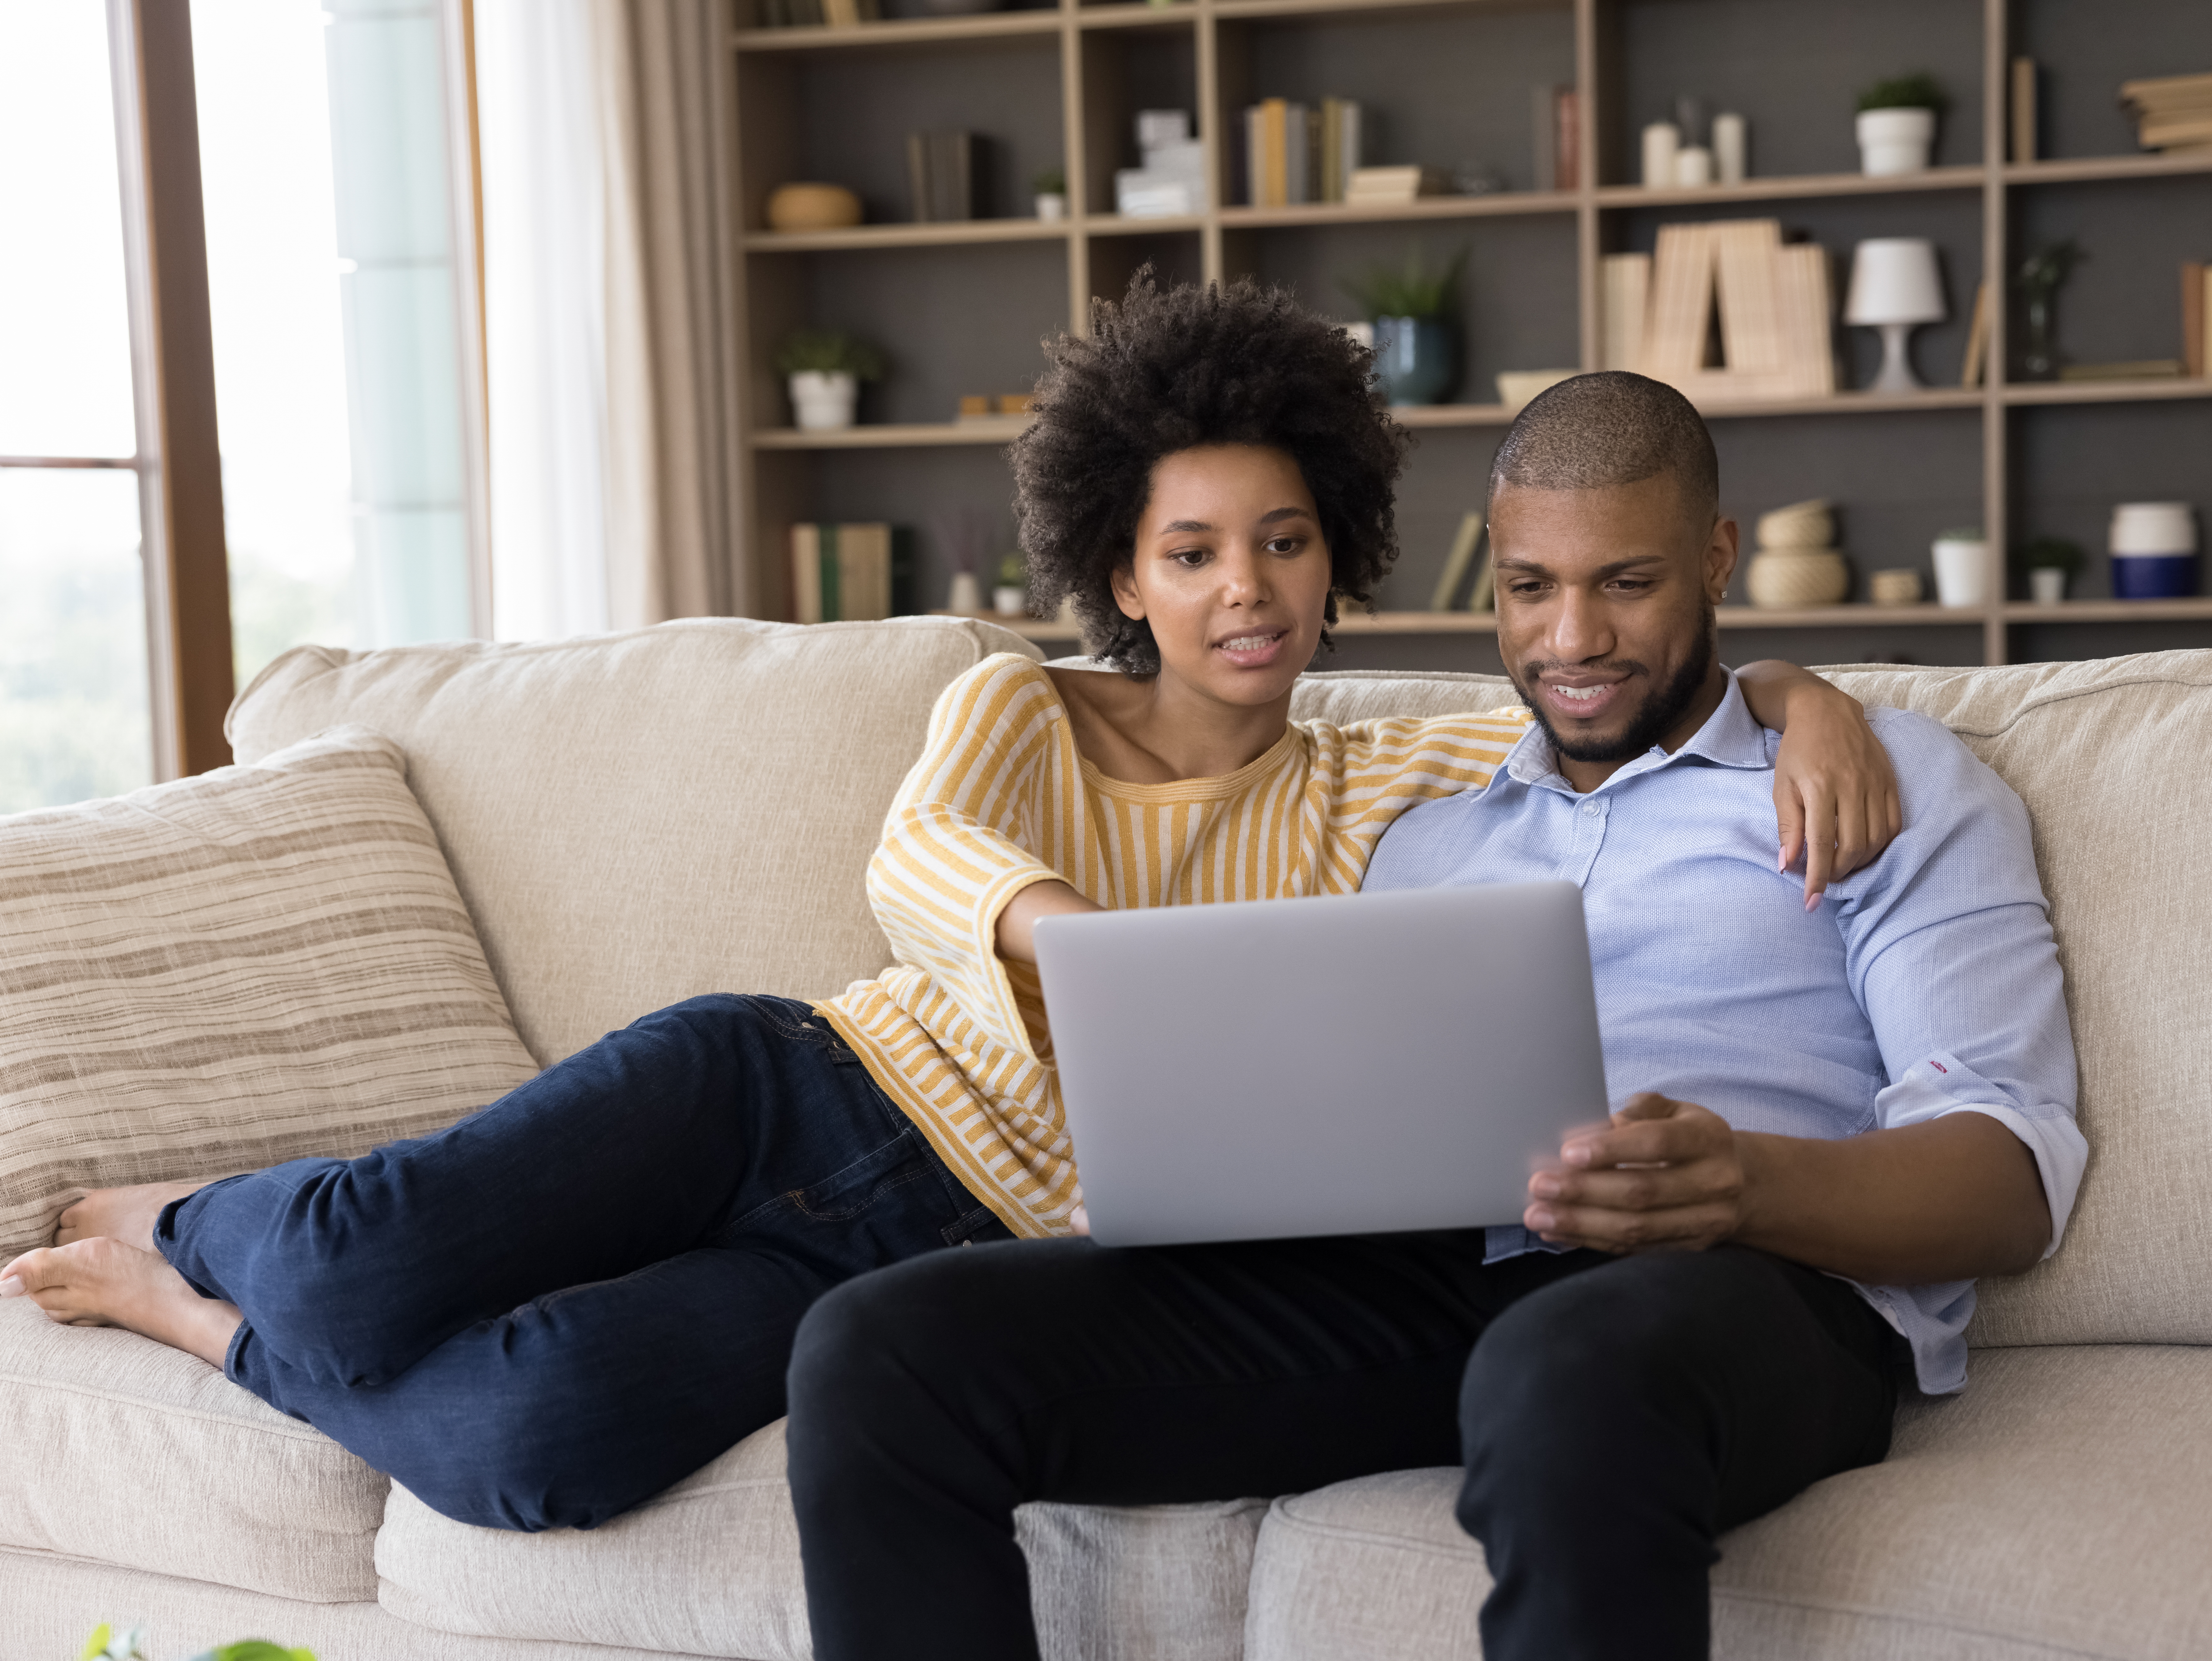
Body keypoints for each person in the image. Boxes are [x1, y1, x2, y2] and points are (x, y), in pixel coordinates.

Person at [0, 278, 1896, 1536]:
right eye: (1193, 551)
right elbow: (925, 863)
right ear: (1121, 574)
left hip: (929, 1269)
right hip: (792, 1091)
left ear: (1345, 557)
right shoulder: (1016, 703)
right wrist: (1069, 938)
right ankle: (201, 1213)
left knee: (536, 1445)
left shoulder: (1396, 780)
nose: (1249, 589)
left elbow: (1614, 702)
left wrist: (1807, 698)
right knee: (348, 1262)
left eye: (1289, 540)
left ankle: (200, 1325)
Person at [779, 368, 2088, 1661]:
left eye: (1625, 583)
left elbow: (2006, 1178)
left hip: (1756, 1294)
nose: (1571, 638)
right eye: (1529, 587)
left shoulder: (1888, 788)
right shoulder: (1428, 827)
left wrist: (1739, 1180)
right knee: (881, 1348)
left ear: (1715, 557)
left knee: (1558, 1369)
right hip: (1436, 1278)